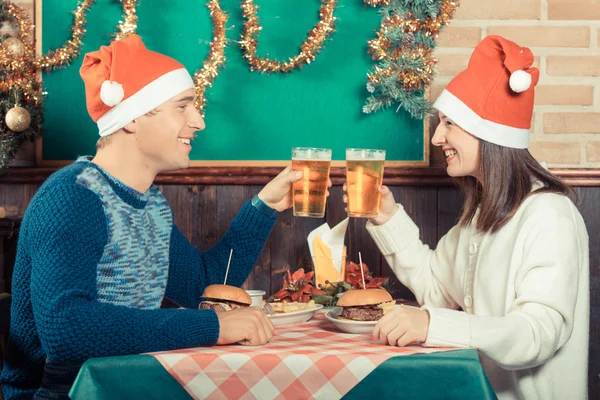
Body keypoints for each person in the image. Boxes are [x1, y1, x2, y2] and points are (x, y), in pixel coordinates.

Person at [0, 34, 327, 399]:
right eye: (183, 107)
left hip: (130, 384)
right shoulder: (73, 196)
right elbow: (66, 328)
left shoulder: (150, 204)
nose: (199, 122)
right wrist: (213, 326)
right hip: (62, 392)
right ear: (132, 119)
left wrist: (264, 207)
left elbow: (203, 286)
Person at [348, 36, 589, 399]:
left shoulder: (550, 214)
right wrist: (387, 217)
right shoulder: (479, 214)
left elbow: (537, 335)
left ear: (489, 133)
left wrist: (433, 323)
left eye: (449, 123)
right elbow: (435, 288)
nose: (436, 138)